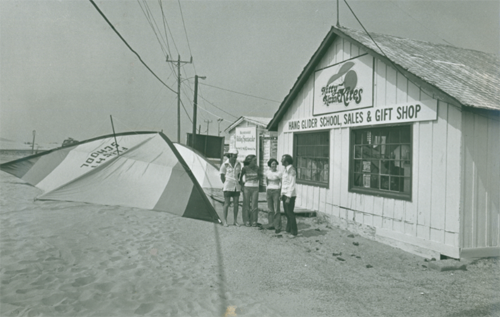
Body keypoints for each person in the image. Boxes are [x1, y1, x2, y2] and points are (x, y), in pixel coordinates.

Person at [220, 149, 242, 227]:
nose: (235, 157)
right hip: (228, 186)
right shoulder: (224, 164)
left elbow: (239, 175)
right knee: (226, 204)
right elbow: (222, 176)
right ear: (230, 155)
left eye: (236, 156)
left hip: (236, 186)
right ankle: (225, 221)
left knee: (236, 204)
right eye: (234, 156)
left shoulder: (239, 164)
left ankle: (235, 221)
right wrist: (226, 183)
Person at [240, 154, 261, 227]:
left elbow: (259, 177)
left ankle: (254, 221)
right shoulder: (245, 168)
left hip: (255, 188)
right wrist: (242, 186)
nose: (255, 161)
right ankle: (246, 221)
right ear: (250, 161)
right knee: (246, 205)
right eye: (254, 160)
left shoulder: (257, 168)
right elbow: (240, 178)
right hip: (247, 187)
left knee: (254, 205)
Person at [281, 154, 298, 238]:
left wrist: (288, 197)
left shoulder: (291, 170)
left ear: (286, 161)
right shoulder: (285, 169)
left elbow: (292, 184)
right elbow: (284, 183)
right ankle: (288, 229)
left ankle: (294, 232)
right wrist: (282, 194)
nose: (281, 161)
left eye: (282, 160)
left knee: (290, 213)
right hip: (285, 193)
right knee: (286, 213)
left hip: (290, 195)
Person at [264, 158, 282, 232]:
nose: (274, 165)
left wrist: (280, 192)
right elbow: (266, 182)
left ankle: (277, 226)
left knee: (277, 209)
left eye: (275, 164)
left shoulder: (279, 173)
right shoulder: (267, 172)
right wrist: (266, 190)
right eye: (272, 164)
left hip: (276, 190)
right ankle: (271, 224)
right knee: (270, 209)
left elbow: (281, 183)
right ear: (270, 165)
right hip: (269, 190)